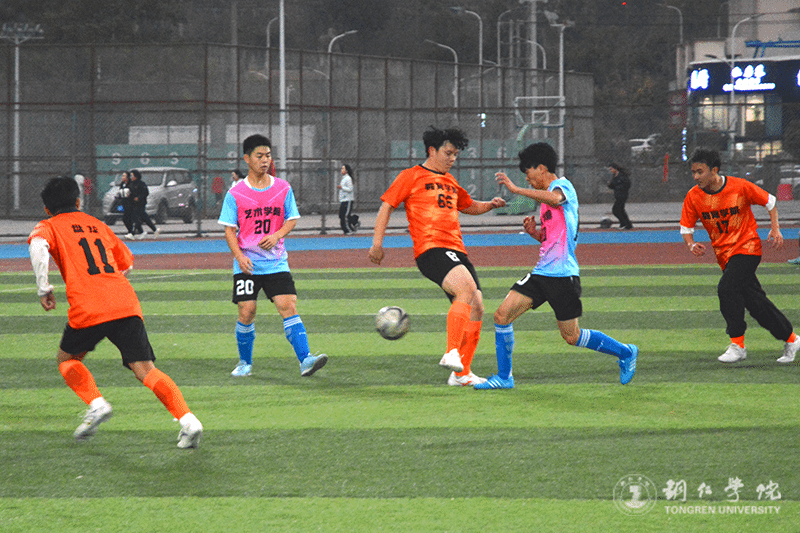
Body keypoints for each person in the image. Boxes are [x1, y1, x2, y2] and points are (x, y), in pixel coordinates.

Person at [27, 176, 203, 447]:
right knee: (146, 370)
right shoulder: (98, 225)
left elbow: (38, 246)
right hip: (124, 302)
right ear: (78, 202)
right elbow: (126, 264)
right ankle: (189, 421)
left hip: (88, 306)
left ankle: (97, 404)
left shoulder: (48, 225)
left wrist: (43, 288)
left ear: (47, 209)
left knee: (67, 359)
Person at [475, 143, 638, 389]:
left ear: (541, 168)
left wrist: (515, 189)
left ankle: (626, 352)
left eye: (528, 173)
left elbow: (556, 198)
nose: (527, 179)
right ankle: (504, 377)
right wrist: (534, 233)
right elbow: (551, 238)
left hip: (563, 275)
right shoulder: (546, 200)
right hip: (541, 273)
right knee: (501, 315)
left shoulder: (563, 187)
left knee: (572, 336)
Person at [369, 126, 507, 386]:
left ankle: (462, 374)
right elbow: (386, 206)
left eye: (455, 154)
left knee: (477, 306)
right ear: (432, 150)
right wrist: (377, 244)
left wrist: (489, 205)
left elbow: (468, 206)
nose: (452, 158)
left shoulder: (450, 181)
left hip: (457, 250)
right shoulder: (411, 176)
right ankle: (451, 351)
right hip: (431, 249)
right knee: (466, 289)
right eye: (448, 153)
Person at [218, 134, 328, 377]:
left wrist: (277, 235)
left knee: (288, 305)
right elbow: (229, 230)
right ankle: (244, 363)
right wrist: (239, 257)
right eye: (259, 156)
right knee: (247, 311)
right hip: (247, 264)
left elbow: (292, 218)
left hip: (276, 263)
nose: (265, 160)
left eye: (268, 155)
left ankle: (306, 360)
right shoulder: (236, 193)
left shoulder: (282, 188)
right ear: (247, 159)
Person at [680, 148, 800, 364]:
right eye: (693, 172)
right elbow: (686, 228)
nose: (696, 177)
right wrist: (691, 244)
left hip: (748, 248)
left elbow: (770, 201)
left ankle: (738, 344)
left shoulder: (739, 186)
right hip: (725, 256)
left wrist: (775, 229)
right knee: (756, 303)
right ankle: (792, 339)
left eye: (700, 171)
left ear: (714, 170)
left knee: (726, 288)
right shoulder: (694, 196)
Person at [129, 169, 159, 239]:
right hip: (134, 204)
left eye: (132, 176)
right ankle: (154, 230)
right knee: (144, 218)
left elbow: (146, 193)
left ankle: (133, 233)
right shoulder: (131, 184)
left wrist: (139, 198)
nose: (131, 177)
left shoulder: (141, 184)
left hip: (141, 203)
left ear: (136, 176)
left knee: (138, 218)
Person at [607, 163, 633, 230]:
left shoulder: (622, 175)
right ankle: (627, 224)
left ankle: (625, 223)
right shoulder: (614, 176)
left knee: (616, 210)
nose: (610, 170)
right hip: (618, 195)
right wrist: (609, 185)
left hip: (622, 195)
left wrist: (619, 187)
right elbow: (613, 185)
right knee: (620, 210)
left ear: (615, 168)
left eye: (611, 169)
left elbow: (627, 184)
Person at [337, 164, 356, 234]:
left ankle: (348, 230)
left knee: (345, 215)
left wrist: (342, 187)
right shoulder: (344, 178)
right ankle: (354, 223)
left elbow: (350, 189)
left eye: (343, 169)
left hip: (348, 200)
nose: (341, 170)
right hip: (343, 200)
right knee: (341, 215)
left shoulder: (348, 178)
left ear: (346, 170)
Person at [117, 171, 136, 239]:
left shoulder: (131, 184)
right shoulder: (122, 184)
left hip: (131, 203)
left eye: (124, 176)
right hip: (124, 203)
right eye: (122, 176)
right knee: (125, 219)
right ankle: (131, 232)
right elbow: (120, 193)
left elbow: (133, 193)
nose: (122, 177)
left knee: (129, 218)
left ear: (128, 177)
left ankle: (131, 232)